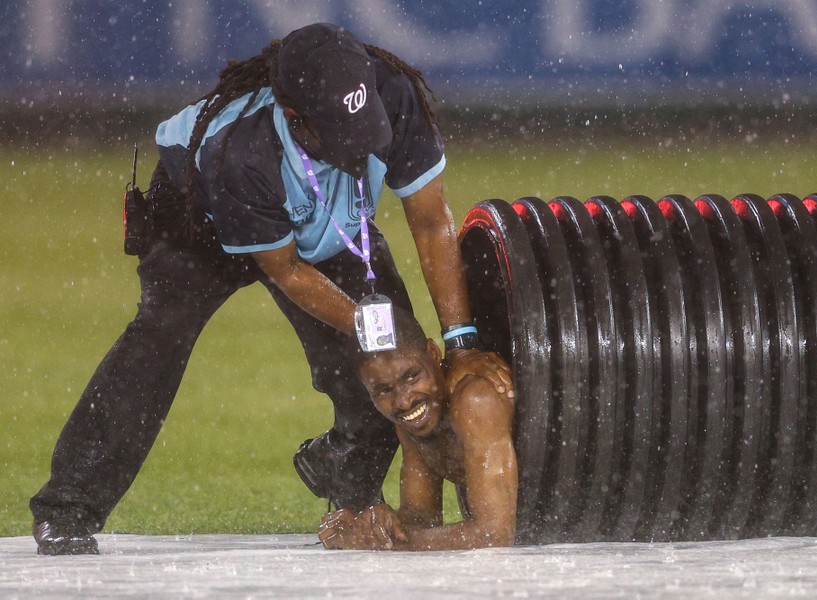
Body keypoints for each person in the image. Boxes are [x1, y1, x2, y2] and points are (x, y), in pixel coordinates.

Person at [30, 22, 511, 555]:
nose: (358, 147)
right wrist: (370, 329)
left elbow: (431, 221)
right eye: (342, 136)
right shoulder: (240, 151)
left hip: (326, 220)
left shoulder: (393, 94)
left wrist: (461, 343)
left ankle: (351, 498)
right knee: (155, 346)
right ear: (294, 119)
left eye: (365, 131)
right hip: (199, 221)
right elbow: (287, 271)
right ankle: (67, 510)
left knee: (392, 367)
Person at [316, 309, 517, 550]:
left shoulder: (475, 401)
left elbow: (494, 535)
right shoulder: (415, 419)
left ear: (434, 353)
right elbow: (421, 520)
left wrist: (385, 544)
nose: (403, 401)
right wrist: (372, 527)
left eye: (411, 377)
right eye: (384, 390)